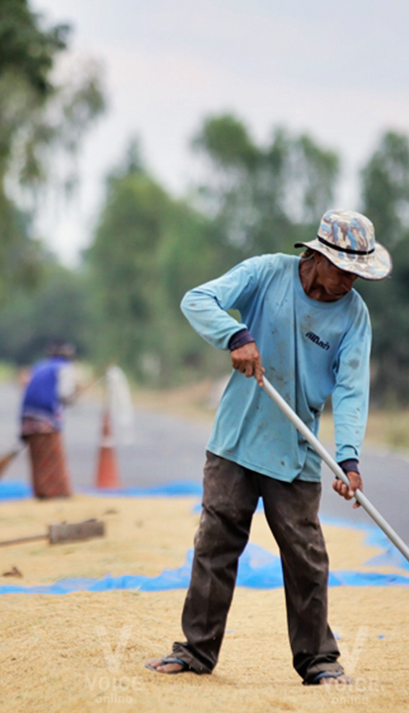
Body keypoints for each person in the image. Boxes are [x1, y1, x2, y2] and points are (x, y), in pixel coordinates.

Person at [147, 210, 391, 685]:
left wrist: (348, 458)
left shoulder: (354, 315)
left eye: (357, 275)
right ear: (316, 256)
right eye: (342, 271)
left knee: (305, 555)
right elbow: (197, 301)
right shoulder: (265, 274)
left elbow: (352, 389)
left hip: (296, 451)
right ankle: (196, 651)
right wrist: (235, 335)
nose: (347, 283)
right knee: (215, 545)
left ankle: (318, 660)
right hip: (236, 440)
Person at [19, 342, 78, 499]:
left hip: (27, 415)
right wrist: (74, 396)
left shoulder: (39, 366)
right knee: (52, 455)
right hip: (47, 416)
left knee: (37, 455)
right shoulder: (65, 368)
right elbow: (65, 395)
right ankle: (56, 491)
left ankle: (41, 490)